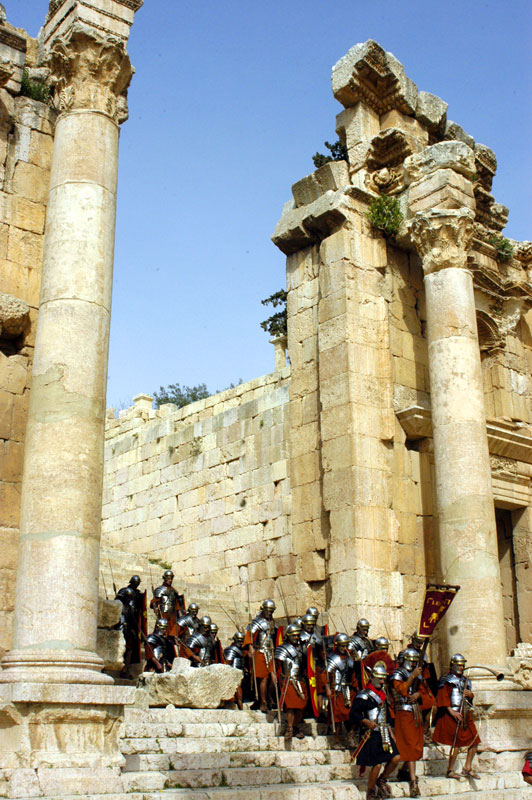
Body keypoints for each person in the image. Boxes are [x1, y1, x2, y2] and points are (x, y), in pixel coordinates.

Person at [349, 662, 400, 800]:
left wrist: (392, 733)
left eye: (384, 678)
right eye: (380, 678)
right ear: (372, 677)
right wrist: (365, 721)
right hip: (370, 734)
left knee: (395, 758)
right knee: (377, 764)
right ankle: (370, 792)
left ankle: (382, 780)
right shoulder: (363, 696)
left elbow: (387, 717)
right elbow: (354, 714)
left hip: (384, 732)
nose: (383, 681)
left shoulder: (383, 695)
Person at [390, 647, 433, 797]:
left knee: (415, 744)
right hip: (403, 712)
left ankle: (403, 771)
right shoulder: (397, 674)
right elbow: (400, 690)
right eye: (412, 661)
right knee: (408, 744)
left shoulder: (418, 676)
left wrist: (418, 695)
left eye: (416, 662)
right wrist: (411, 677)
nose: (414, 664)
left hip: (415, 712)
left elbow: (425, 693)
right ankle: (413, 782)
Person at [433, 653, 480, 779]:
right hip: (453, 714)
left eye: (462, 665)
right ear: (453, 665)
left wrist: (470, 695)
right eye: (458, 665)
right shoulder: (446, 680)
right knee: (456, 743)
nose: (461, 667)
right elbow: (443, 697)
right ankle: (450, 770)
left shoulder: (466, 681)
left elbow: (469, 702)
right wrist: (451, 711)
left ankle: (467, 767)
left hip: (465, 713)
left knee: (475, 740)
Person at [275, 622, 308, 740]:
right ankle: (289, 728)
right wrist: (275, 676)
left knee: (301, 706)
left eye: (297, 635)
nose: (296, 637)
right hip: (288, 680)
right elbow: (277, 666)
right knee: (291, 705)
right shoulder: (282, 649)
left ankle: (294, 726)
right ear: (288, 635)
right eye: (293, 635)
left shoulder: (302, 649)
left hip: (300, 680)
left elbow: (307, 664)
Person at [244, 599, 277, 713]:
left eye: (271, 610)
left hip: (270, 652)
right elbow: (249, 635)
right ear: (263, 609)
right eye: (268, 610)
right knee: (263, 678)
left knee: (273, 679)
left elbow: (276, 638)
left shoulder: (273, 623)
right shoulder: (257, 621)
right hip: (260, 651)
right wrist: (250, 648)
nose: (269, 612)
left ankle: (269, 697)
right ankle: (263, 701)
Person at [326, 632, 355, 747]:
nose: (345, 648)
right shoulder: (332, 658)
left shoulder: (350, 658)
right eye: (342, 646)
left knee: (353, 714)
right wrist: (328, 688)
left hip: (348, 689)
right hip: (337, 690)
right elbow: (326, 675)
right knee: (337, 716)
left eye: (346, 645)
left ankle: (350, 735)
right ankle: (336, 740)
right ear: (337, 645)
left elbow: (352, 674)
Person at [115, 574, 146, 678]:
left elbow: (134, 616)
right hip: (120, 629)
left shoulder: (130, 608)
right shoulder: (120, 606)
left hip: (129, 627)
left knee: (130, 649)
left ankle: (125, 669)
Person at [150, 570, 185, 636]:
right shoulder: (160, 590)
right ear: (165, 578)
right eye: (168, 578)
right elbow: (155, 601)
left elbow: (177, 603)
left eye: (171, 578)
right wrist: (155, 607)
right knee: (161, 632)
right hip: (164, 614)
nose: (170, 580)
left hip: (173, 615)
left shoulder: (173, 591)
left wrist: (179, 613)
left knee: (173, 633)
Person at [224, 631, 245, 709]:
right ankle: (240, 707)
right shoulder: (232, 649)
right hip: (233, 672)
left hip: (240, 672)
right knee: (236, 691)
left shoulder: (242, 650)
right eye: (239, 640)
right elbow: (228, 662)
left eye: (242, 640)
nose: (240, 642)